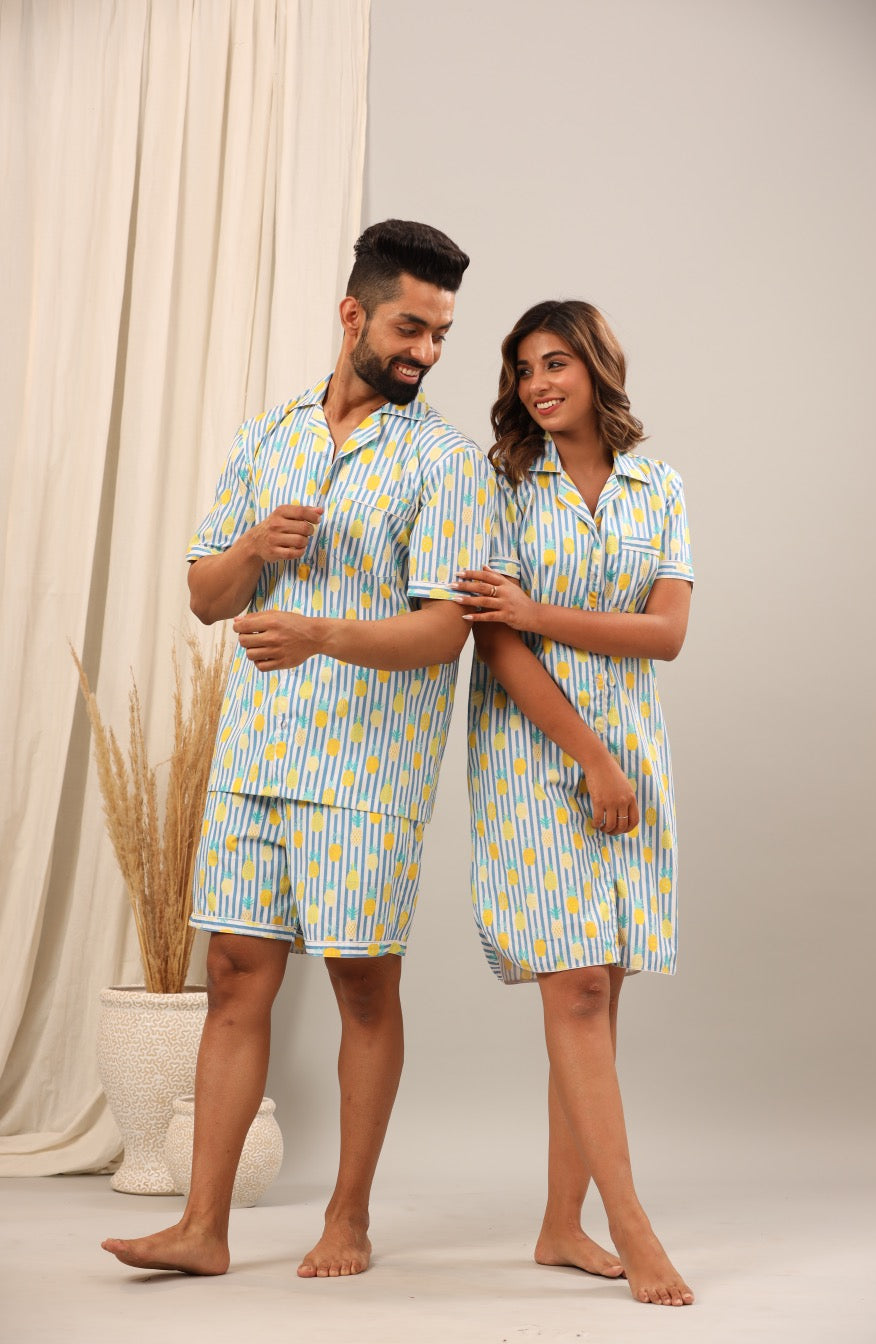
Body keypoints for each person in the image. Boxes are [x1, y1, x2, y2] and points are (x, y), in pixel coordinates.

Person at [102, 220, 493, 1278]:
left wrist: (319, 632)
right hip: (252, 763)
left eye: (442, 333)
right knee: (234, 977)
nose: (425, 351)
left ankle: (348, 1219)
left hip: (366, 777)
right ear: (352, 314)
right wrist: (251, 549)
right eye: (411, 326)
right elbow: (204, 594)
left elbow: (445, 630)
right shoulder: (268, 436)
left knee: (364, 987)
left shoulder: (446, 463)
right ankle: (203, 1228)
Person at [454, 299, 695, 1307]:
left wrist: (543, 610)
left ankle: (561, 1223)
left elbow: (665, 633)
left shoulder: (658, 487)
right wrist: (589, 759)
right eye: (520, 369)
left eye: (554, 363)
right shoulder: (498, 485)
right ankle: (630, 1227)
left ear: (596, 367)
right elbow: (498, 645)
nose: (537, 383)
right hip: (532, 757)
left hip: (630, 762)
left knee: (597, 990)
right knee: (577, 991)